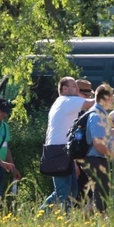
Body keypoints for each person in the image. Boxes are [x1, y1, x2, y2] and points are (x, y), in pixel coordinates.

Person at [41, 77, 95, 211]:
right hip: (58, 151)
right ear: (65, 89)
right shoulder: (67, 100)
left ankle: (67, 219)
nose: (77, 89)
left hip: (63, 150)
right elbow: (94, 103)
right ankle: (40, 214)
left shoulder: (61, 102)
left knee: (72, 191)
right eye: (74, 86)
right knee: (62, 192)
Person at [82, 84, 114, 213]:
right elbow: (98, 142)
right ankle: (100, 218)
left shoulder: (100, 113)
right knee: (102, 191)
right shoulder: (96, 116)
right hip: (95, 158)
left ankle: (89, 215)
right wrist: (113, 155)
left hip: (97, 158)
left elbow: (102, 134)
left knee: (102, 189)